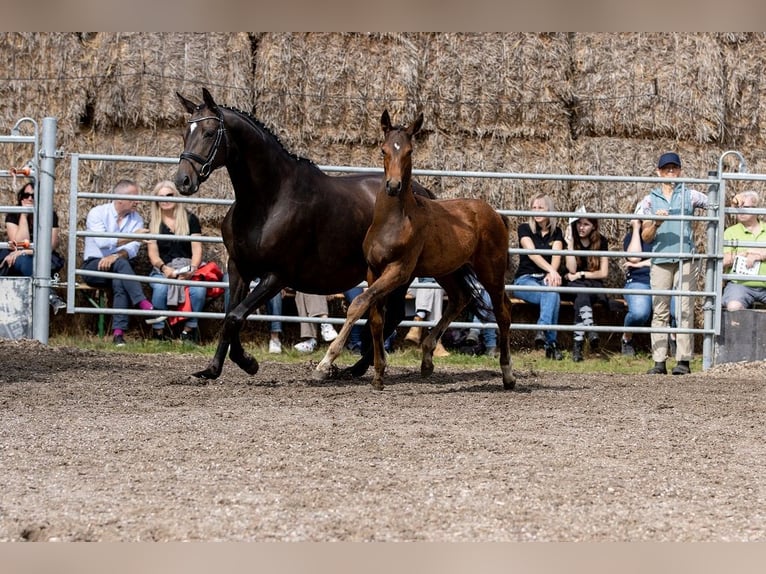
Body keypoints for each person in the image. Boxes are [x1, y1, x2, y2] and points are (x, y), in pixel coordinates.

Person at [637, 151, 708, 375]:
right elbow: (645, 236)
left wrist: (734, 200)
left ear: (680, 170)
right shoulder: (649, 200)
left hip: (685, 255)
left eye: (674, 168)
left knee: (685, 308)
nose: (670, 172)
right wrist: (656, 223)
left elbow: (715, 203)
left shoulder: (691, 195)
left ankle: (684, 361)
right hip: (660, 258)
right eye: (666, 168)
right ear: (658, 172)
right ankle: (659, 361)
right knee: (660, 309)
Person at [81, 179, 163, 346]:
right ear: (119, 198)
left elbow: (132, 249)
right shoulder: (97, 213)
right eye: (134, 198)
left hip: (119, 265)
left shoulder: (137, 219)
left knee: (120, 276)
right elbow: (103, 242)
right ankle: (144, 305)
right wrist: (134, 236)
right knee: (122, 268)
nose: (138, 202)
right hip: (94, 266)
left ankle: (118, 335)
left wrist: (115, 256)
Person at [146, 180, 207, 345]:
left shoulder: (190, 219)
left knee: (198, 291)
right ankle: (159, 333)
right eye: (161, 197)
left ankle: (188, 331)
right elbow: (153, 255)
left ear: (176, 196)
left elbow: (197, 250)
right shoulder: (153, 223)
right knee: (160, 288)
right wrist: (164, 269)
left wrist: (192, 270)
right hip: (162, 269)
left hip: (187, 267)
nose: (165, 200)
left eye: (169, 195)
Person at [511, 193, 564, 360]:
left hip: (545, 280)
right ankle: (550, 342)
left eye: (541, 207)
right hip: (525, 280)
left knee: (552, 292)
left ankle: (544, 334)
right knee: (552, 293)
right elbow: (532, 253)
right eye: (534, 207)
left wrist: (551, 272)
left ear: (549, 210)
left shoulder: (557, 233)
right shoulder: (524, 228)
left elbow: (557, 256)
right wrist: (553, 272)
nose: (537, 211)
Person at [0, 181, 66, 312]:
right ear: (21, 197)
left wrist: (25, 252)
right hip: (16, 260)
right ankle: (50, 295)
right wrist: (24, 215)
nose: (30, 198)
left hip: (40, 257)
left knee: (24, 259)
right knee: (21, 260)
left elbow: (50, 246)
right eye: (26, 195)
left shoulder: (49, 215)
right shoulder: (14, 214)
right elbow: (17, 243)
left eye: (34, 196)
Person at [563, 207, 609, 362]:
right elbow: (571, 269)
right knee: (581, 293)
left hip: (593, 286)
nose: (581, 227)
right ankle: (590, 328)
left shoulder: (601, 241)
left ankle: (577, 347)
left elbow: (603, 273)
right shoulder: (571, 241)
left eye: (586, 224)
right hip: (573, 287)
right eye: (579, 224)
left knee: (581, 298)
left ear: (594, 226)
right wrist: (569, 245)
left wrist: (582, 275)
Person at [721, 190, 766, 311]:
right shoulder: (730, 232)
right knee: (733, 306)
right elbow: (723, 260)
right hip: (739, 284)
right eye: (738, 207)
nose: (741, 210)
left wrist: (759, 255)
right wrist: (743, 254)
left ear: (756, 209)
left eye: (745, 207)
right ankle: (742, 329)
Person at [404, 277, 450, 357]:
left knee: (433, 285)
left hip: (441, 284)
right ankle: (436, 341)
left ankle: (417, 323)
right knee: (431, 285)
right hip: (414, 283)